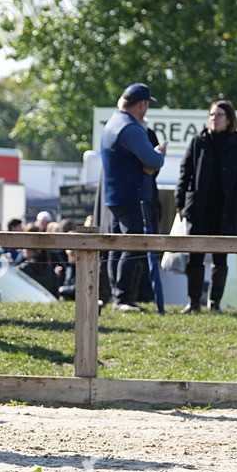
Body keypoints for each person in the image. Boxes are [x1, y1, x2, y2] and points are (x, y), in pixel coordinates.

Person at [174, 100, 237, 313]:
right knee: (195, 255)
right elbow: (185, 172)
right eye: (211, 114)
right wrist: (179, 200)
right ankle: (193, 302)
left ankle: (214, 303)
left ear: (229, 119)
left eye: (219, 115)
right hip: (200, 207)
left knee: (221, 256)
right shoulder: (198, 141)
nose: (214, 118)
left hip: (226, 209)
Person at [100, 83, 166, 312]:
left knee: (117, 247)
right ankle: (123, 298)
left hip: (114, 198)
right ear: (142, 105)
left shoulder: (112, 123)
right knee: (135, 245)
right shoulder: (131, 128)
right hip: (133, 196)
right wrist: (159, 153)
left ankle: (117, 296)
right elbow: (154, 161)